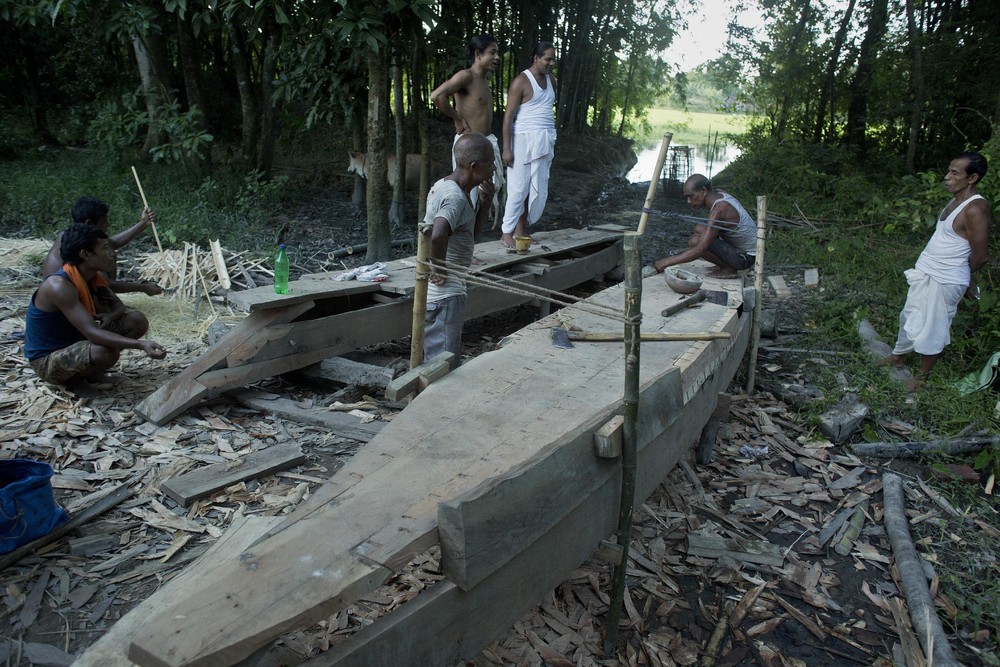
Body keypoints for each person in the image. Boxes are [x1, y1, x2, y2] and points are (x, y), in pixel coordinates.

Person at [882, 152, 992, 391]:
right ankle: (898, 356)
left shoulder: (975, 209)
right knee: (909, 316)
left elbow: (981, 255)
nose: (947, 177)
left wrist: (965, 280)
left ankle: (921, 378)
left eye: (954, 173)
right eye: (948, 171)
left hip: (947, 279)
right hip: (927, 272)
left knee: (934, 327)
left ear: (972, 177)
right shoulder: (954, 201)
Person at [25, 223, 167, 391]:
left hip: (77, 342)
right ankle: (75, 381)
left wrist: (110, 316)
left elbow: (117, 306)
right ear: (86, 254)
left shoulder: (92, 277)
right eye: (105, 248)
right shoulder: (59, 286)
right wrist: (141, 345)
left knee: (136, 320)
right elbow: (92, 332)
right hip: (48, 359)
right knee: (106, 352)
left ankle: (91, 371)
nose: (112, 254)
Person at [423, 133, 496, 368]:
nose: (494, 168)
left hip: (447, 293)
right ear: (475, 166)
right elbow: (438, 233)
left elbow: (468, 237)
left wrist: (484, 206)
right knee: (441, 364)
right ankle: (434, 404)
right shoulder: (454, 197)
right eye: (491, 162)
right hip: (444, 294)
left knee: (442, 357)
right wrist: (439, 269)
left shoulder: (448, 187)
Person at [430, 35, 505, 222]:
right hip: (469, 148)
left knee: (483, 197)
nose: (497, 57)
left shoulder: (484, 80)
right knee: (466, 195)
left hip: (485, 144)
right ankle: (459, 243)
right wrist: (457, 119)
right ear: (478, 54)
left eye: (497, 52)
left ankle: (469, 243)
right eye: (492, 52)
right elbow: (436, 96)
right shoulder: (466, 76)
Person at [42, 196, 164, 295]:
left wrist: (143, 223)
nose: (108, 225)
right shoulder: (79, 247)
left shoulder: (77, 236)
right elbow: (107, 283)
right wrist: (143, 288)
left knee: (108, 253)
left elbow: (113, 243)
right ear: (89, 223)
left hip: (73, 292)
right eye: (104, 222)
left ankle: (108, 299)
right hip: (66, 298)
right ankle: (105, 300)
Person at [500, 41, 557, 250]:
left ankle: (520, 230)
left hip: (544, 139)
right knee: (518, 187)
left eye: (553, 59)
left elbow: (546, 111)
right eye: (547, 59)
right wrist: (507, 148)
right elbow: (508, 118)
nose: (551, 63)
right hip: (522, 139)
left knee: (535, 185)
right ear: (536, 58)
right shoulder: (521, 82)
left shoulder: (552, 80)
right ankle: (506, 232)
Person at [652, 174, 757, 278]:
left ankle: (729, 269)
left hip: (745, 258)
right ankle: (724, 263)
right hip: (742, 250)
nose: (688, 201)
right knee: (699, 229)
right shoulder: (719, 194)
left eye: (691, 196)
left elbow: (700, 249)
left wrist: (664, 262)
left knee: (695, 241)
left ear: (704, 190)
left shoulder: (719, 210)